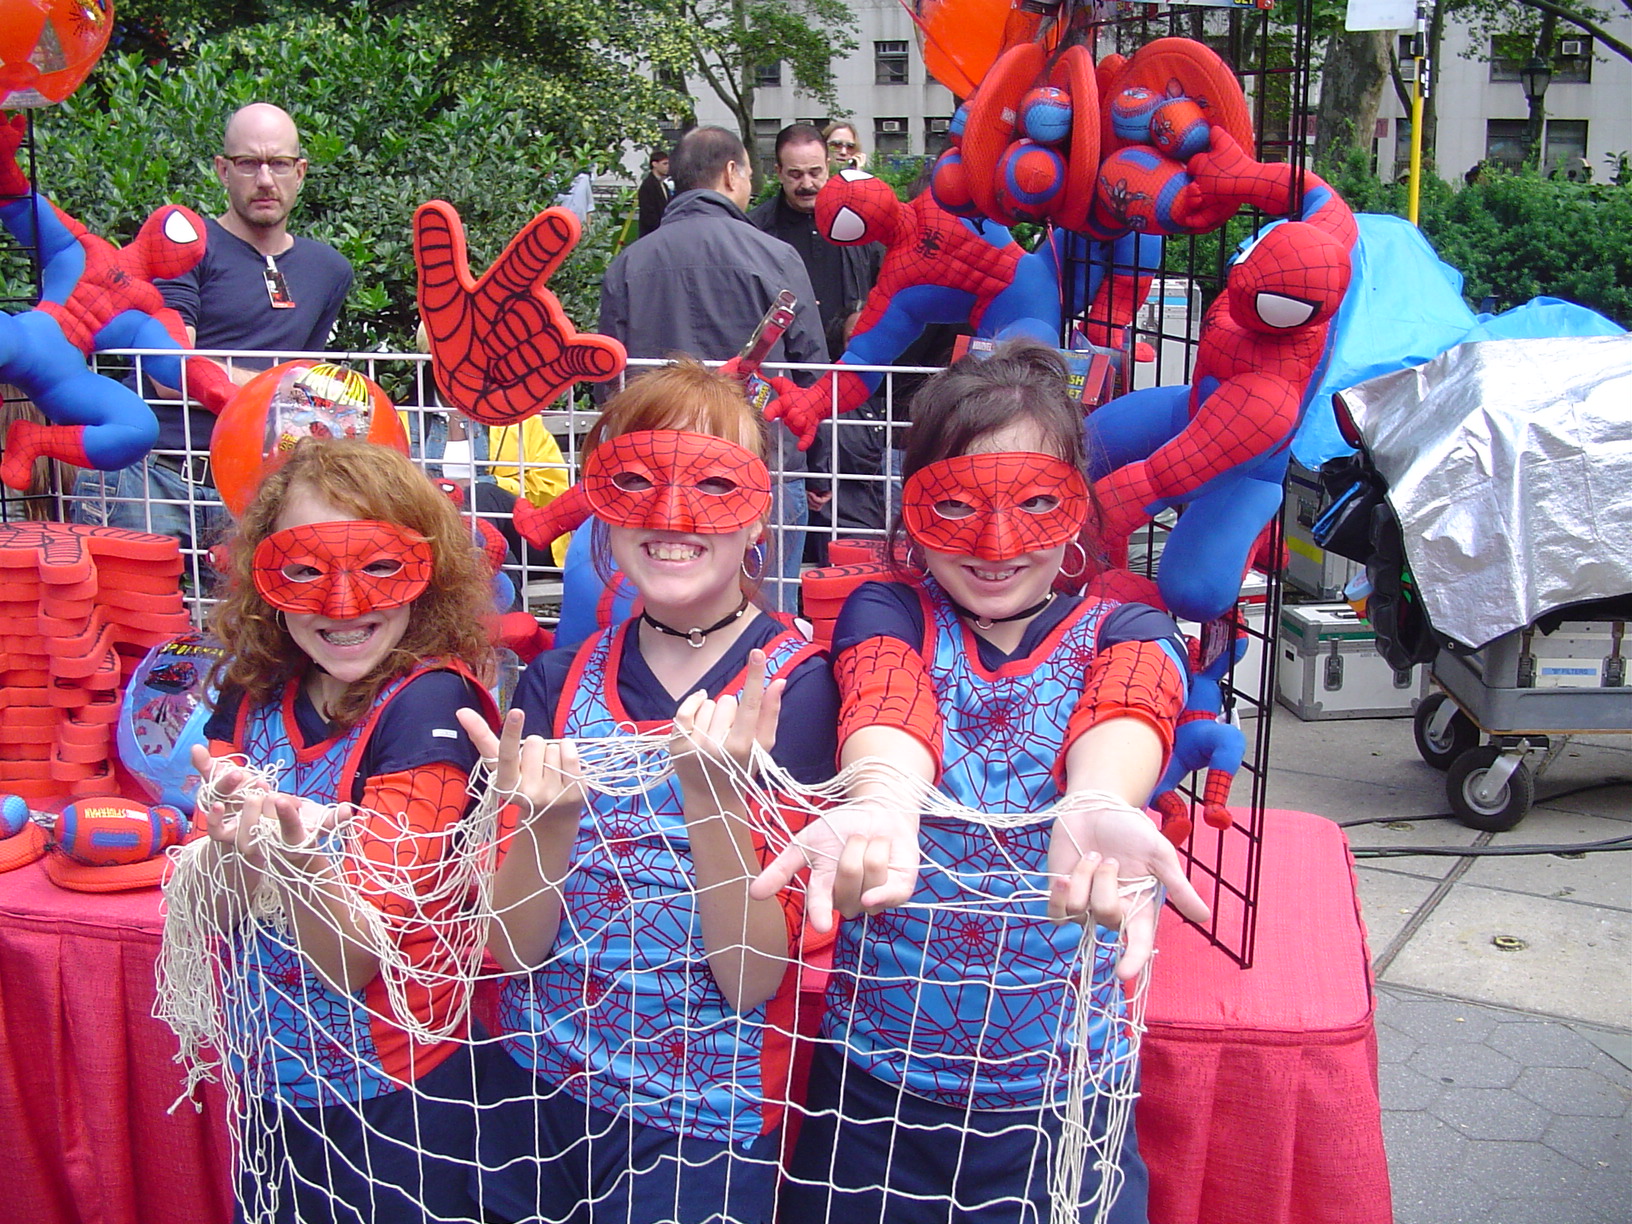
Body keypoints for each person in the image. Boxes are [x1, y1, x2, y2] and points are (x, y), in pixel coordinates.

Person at [756, 341, 1211, 1224]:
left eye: (1035, 504)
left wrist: (1096, 803)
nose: (997, 547)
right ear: (916, 505)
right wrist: (884, 799)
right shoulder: (890, 611)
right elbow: (888, 706)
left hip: (1060, 1100)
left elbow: (1129, 712)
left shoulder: (1131, 624)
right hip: (876, 1093)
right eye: (960, 506)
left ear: (1077, 500)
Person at [459, 359, 839, 1223]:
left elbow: (751, 979)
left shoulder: (799, 689)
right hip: (530, 1089)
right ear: (598, 501)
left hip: (701, 1125)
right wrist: (549, 825)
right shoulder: (556, 680)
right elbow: (511, 952)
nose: (672, 517)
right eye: (635, 481)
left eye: (711, 484)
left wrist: (713, 803)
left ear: (761, 515)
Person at [176, 438, 500, 1222]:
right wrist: (232, 852)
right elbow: (210, 913)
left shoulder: (431, 707)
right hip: (275, 1075)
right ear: (266, 578)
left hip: (396, 1097)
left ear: (427, 573)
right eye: (306, 568)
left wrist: (288, 859)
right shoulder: (255, 695)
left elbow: (353, 959)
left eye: (380, 566)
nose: (344, 605)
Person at [74, 103, 352, 559]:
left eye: (279, 163)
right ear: (223, 170)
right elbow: (170, 372)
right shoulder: (182, 247)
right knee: (132, 625)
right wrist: (285, 388)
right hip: (151, 475)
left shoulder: (329, 270)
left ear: (300, 172)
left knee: (247, 630)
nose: (265, 179)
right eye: (248, 163)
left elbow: (303, 383)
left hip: (251, 490)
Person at [598, 124, 825, 614]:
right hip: (765, 466)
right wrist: (820, 470)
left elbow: (608, 382)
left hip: (655, 477)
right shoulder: (776, 256)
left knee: (662, 614)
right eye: (749, 173)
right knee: (769, 614)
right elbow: (813, 374)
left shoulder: (628, 264)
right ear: (730, 173)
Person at [637, 150, 671, 238]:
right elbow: (648, 214)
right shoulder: (648, 186)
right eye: (665, 164)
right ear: (655, 164)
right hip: (652, 233)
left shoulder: (664, 185)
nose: (668, 167)